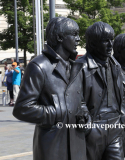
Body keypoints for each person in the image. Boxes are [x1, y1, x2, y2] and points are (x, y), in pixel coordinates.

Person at [12, 17, 90, 160]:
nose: (78, 39)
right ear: (60, 37)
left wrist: (84, 112)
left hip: (77, 144)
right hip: (53, 146)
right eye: (74, 34)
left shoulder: (75, 66)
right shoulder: (39, 66)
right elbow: (22, 108)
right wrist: (55, 112)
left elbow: (80, 100)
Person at [74, 21, 125, 160]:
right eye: (105, 41)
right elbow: (75, 98)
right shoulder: (81, 66)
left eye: (111, 40)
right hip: (94, 127)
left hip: (115, 126)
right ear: (93, 43)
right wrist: (86, 121)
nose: (110, 45)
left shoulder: (115, 65)